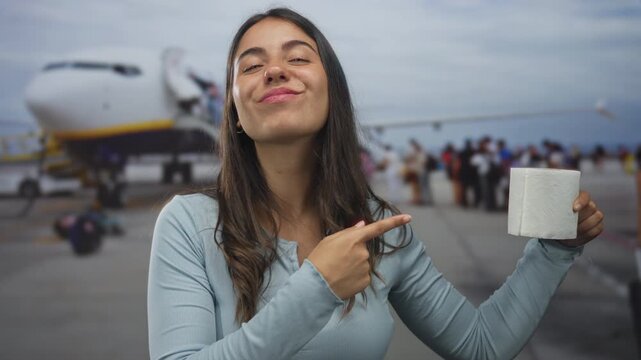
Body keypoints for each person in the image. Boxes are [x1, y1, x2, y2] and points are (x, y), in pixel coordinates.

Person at [147, 8, 605, 360]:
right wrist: (318, 287)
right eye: (251, 66)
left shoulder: (380, 228)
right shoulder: (189, 225)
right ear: (236, 115)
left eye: (298, 58)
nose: (274, 70)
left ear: (333, 93)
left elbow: (481, 346)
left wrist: (554, 249)